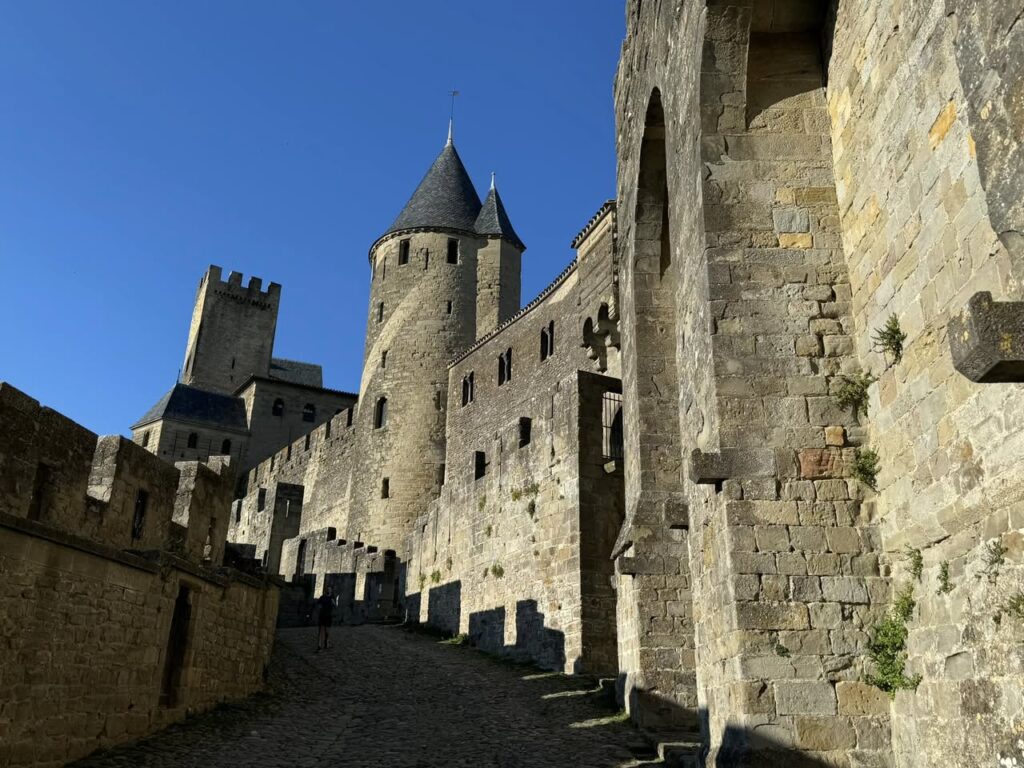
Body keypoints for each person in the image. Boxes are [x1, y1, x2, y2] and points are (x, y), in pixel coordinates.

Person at [315, 585, 336, 652]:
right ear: (326, 590)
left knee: (327, 632)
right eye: (327, 589)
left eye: (329, 589)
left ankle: (326, 643)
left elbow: (335, 606)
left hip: (328, 616)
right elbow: (318, 603)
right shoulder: (322, 597)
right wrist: (320, 607)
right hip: (322, 615)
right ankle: (319, 646)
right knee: (321, 631)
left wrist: (334, 603)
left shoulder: (332, 598)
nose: (328, 590)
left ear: (331, 591)